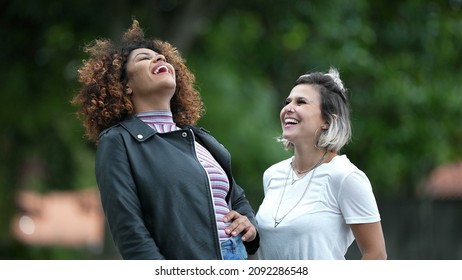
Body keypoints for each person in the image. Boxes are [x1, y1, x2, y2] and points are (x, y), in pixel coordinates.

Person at [71, 19, 259, 260]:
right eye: (143, 58)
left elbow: (237, 197)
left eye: (162, 57)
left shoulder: (200, 139)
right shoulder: (118, 141)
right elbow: (129, 230)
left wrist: (248, 223)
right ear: (125, 86)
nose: (160, 59)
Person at [255, 68, 386, 260]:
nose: (288, 108)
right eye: (288, 102)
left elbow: (376, 254)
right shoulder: (272, 175)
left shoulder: (346, 177)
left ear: (327, 120)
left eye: (301, 102)